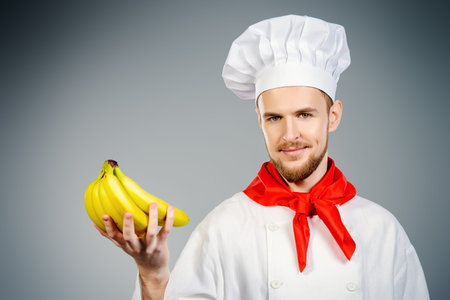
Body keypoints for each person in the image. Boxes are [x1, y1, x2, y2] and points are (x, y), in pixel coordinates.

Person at [95, 15, 430, 300]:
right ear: (259, 120)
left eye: (305, 114)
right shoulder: (223, 229)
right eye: (274, 118)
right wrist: (152, 275)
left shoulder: (383, 231)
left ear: (333, 117)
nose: (289, 134)